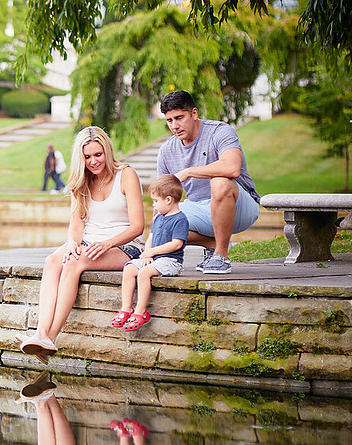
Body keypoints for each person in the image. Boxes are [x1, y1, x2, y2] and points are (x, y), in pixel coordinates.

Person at [19, 127, 145, 363]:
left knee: (73, 264)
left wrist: (107, 243)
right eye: (87, 157)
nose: (93, 161)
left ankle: (50, 338)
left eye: (98, 154)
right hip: (90, 242)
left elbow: (138, 226)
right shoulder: (81, 180)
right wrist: (72, 244)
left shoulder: (126, 175)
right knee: (54, 260)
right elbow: (76, 222)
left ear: (107, 150)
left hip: (125, 246)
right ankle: (41, 332)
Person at [157, 90, 261, 275]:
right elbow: (161, 198)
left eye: (179, 118)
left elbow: (232, 168)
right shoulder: (166, 151)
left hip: (240, 207)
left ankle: (221, 256)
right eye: (170, 120)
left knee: (219, 182)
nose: (175, 126)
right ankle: (212, 244)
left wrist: (189, 172)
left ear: (194, 113)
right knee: (162, 219)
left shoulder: (219, 131)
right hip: (199, 208)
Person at [113, 174, 189, 331]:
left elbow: (176, 244)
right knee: (129, 268)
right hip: (154, 259)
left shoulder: (180, 219)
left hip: (170, 261)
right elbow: (151, 238)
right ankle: (126, 308)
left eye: (156, 201)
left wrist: (152, 253)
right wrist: (147, 253)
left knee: (144, 273)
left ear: (168, 200)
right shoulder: (158, 218)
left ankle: (140, 311)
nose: (153, 205)